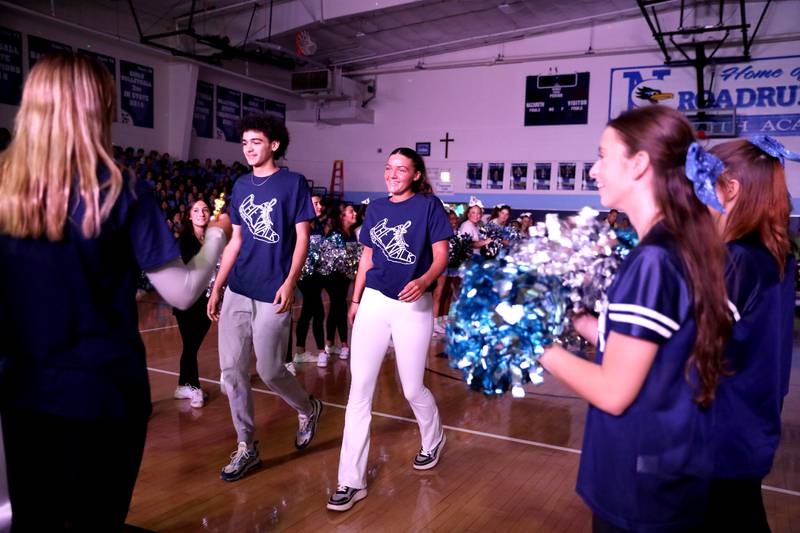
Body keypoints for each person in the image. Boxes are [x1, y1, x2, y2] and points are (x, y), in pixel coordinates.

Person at [0, 52, 230, 531]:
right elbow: (184, 292)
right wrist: (215, 238)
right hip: (104, 392)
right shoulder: (123, 190)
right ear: (98, 108)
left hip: (23, 393)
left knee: (34, 520)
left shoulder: (4, 186)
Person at [538, 105, 732, 532]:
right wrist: (574, 318)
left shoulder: (653, 260)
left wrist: (527, 340)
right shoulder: (677, 244)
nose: (594, 170)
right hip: (665, 469)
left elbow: (613, 392)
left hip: (640, 483)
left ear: (640, 163)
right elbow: (639, 347)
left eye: (603, 155)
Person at [326, 147, 452, 512]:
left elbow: (441, 254)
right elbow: (367, 257)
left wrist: (425, 279)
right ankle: (350, 481)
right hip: (374, 302)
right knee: (359, 392)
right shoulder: (377, 208)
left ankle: (434, 439)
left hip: (413, 304)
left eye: (401, 169)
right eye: (388, 167)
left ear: (415, 174)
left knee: (412, 388)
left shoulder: (429, 206)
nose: (392, 173)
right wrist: (355, 300)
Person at [207, 113, 323, 482]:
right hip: (239, 289)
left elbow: (302, 238)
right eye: (244, 143)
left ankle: (307, 408)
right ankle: (247, 446)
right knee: (231, 372)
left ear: (273, 145)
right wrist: (218, 285)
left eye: (255, 142)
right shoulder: (241, 186)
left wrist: (291, 281)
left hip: (274, 290)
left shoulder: (292, 184)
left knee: (271, 370)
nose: (249, 149)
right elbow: (235, 241)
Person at [705, 136, 797, 530]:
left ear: (732, 189)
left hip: (723, 430)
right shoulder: (774, 250)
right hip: (751, 423)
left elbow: (695, 348)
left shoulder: (739, 257)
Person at [173, 200, 215, 409]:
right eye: (196, 210)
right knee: (190, 344)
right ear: (189, 216)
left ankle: (183, 385)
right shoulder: (185, 240)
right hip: (186, 300)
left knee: (193, 344)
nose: (201, 213)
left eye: (205, 210)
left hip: (206, 301)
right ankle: (194, 387)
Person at [319, 202, 359, 367]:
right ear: (342, 216)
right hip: (332, 277)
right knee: (339, 307)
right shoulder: (335, 234)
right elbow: (328, 261)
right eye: (351, 211)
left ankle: (331, 343)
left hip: (344, 278)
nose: (355, 213)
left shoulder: (350, 234)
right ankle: (343, 345)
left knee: (338, 308)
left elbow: (352, 260)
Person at [293, 194, 327, 366]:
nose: (320, 206)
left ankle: (300, 352)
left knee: (307, 312)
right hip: (304, 276)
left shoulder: (318, 224)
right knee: (318, 310)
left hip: (317, 275)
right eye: (316, 203)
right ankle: (322, 351)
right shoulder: (301, 224)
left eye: (320, 203)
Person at [432, 209, 461, 336]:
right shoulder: (441, 232)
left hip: (452, 264)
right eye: (450, 220)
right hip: (441, 264)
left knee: (448, 293)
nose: (453, 222)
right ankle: (433, 323)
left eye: (455, 219)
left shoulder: (456, 233)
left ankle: (442, 320)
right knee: (438, 293)